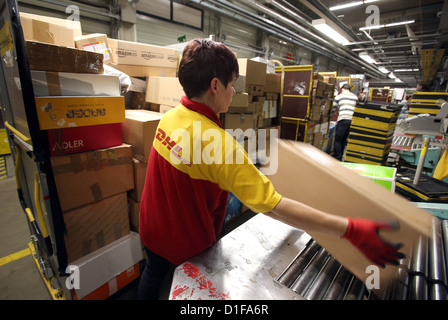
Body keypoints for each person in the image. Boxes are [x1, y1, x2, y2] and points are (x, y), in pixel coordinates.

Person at [137, 39, 404, 300]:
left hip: (151, 228)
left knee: (152, 276)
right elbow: (273, 205)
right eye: (232, 84)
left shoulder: (170, 118)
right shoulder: (217, 144)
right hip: (183, 245)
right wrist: (349, 229)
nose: (233, 92)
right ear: (215, 86)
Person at [332, 83, 359, 161]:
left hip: (342, 119)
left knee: (338, 139)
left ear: (343, 89)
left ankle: (337, 158)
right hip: (352, 120)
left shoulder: (339, 96)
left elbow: (333, 107)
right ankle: (342, 156)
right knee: (344, 139)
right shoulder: (355, 97)